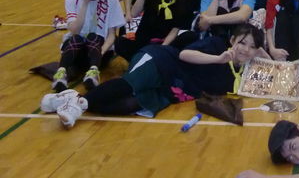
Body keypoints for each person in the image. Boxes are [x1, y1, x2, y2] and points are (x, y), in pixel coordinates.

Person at [41, 24, 268, 128]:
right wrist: (217, 59)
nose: (245, 49)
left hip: (171, 90)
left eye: (252, 47)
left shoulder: (242, 72)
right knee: (130, 85)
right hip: (161, 61)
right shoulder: (217, 45)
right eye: (242, 43)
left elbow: (274, 68)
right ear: (232, 41)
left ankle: (69, 98)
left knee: (130, 105)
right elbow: (185, 54)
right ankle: (79, 105)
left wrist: (263, 51)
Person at [52, 0, 125, 92]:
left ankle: (93, 73)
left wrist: (98, 54)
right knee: (77, 38)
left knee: (93, 36)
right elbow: (74, 30)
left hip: (100, 52)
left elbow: (111, 35)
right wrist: (85, 2)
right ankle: (60, 75)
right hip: (76, 51)